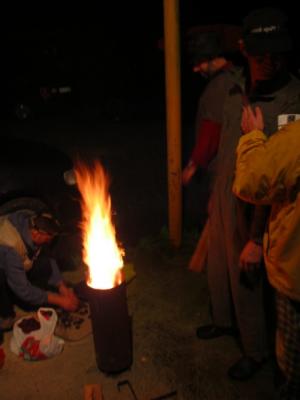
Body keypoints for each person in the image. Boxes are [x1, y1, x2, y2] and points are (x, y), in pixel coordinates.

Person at [195, 7, 300, 381]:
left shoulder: (290, 102)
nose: (269, 62)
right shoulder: (234, 87)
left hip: (258, 207)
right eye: (260, 54)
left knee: (247, 277)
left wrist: (258, 237)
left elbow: (280, 180)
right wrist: (213, 195)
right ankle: (223, 322)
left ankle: (255, 351)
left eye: (276, 53)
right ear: (244, 49)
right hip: (225, 193)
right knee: (219, 265)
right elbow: (225, 144)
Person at [233, 105, 300, 399]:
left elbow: (252, 181)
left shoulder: (296, 138)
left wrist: (253, 137)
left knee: (292, 367)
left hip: (296, 272)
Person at [182, 24, 242, 195]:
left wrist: (192, 166)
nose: (195, 68)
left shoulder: (218, 86)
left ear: (211, 59)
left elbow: (211, 129)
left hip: (225, 172)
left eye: (199, 62)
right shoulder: (237, 76)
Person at [0, 209, 79, 336]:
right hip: (3, 259)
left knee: (43, 264)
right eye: (48, 238)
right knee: (6, 280)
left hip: (12, 257)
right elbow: (23, 290)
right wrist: (59, 300)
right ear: (36, 235)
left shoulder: (32, 223)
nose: (49, 241)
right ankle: (5, 316)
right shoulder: (11, 248)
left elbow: (48, 256)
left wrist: (62, 287)